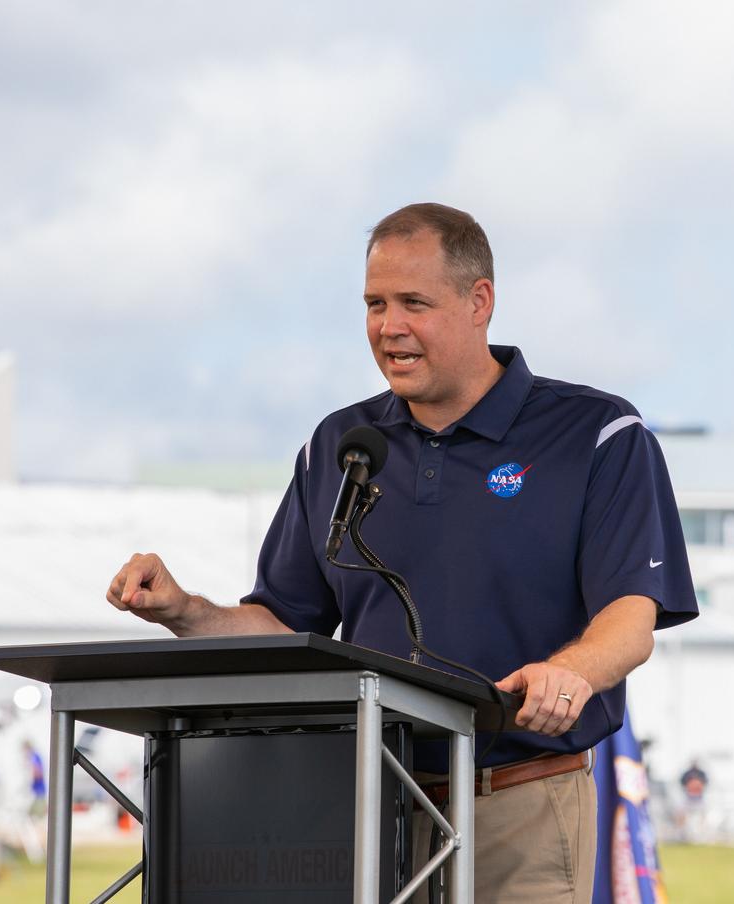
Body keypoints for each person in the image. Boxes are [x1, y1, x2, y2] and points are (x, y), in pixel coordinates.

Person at [106, 202, 699, 903]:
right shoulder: (339, 446)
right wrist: (185, 611)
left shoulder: (598, 434)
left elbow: (630, 621)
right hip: (362, 814)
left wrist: (567, 674)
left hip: (520, 810)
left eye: (413, 303)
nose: (389, 328)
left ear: (480, 302)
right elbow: (282, 621)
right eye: (374, 304)